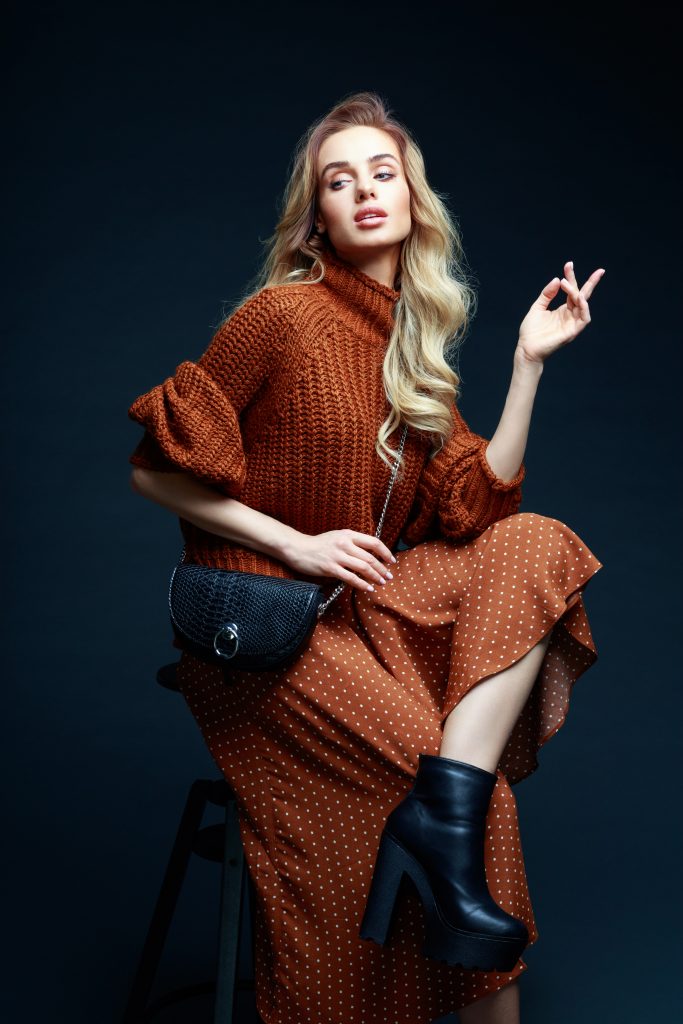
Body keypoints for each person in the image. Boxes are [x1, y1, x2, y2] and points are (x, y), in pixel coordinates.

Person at [126, 91, 605, 1024]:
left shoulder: (416, 351)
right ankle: (446, 813)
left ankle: (445, 804)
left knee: (536, 543)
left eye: (381, 174)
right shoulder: (280, 318)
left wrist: (527, 364)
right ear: (318, 218)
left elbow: (472, 505)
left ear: (412, 202)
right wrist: (295, 543)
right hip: (264, 621)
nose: (364, 192)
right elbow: (153, 472)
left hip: (365, 610)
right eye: (338, 181)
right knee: (468, 803)